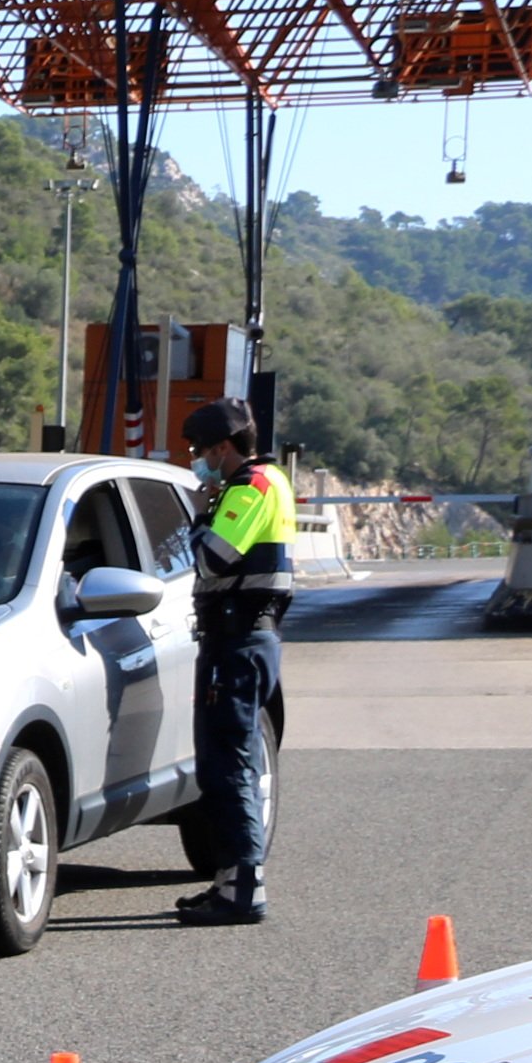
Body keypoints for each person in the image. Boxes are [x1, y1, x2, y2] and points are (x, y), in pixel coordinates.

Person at [175, 396, 296, 927]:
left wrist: (201, 513)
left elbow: (212, 557)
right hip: (244, 638)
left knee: (228, 765)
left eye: (202, 451)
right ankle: (228, 882)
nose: (199, 460)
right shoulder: (268, 482)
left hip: (238, 640)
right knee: (224, 762)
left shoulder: (250, 487)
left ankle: (244, 887)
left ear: (223, 448)